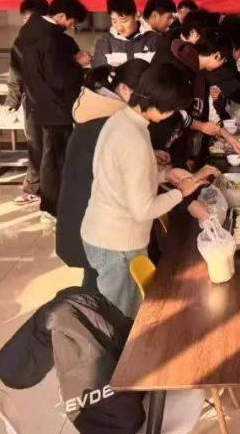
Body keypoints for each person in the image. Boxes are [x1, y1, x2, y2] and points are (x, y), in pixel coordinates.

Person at [80, 63, 209, 318]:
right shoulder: (134, 139)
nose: (172, 114)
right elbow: (143, 210)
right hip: (117, 243)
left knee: (123, 312)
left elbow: (122, 179)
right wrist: (181, 192)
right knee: (124, 320)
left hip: (104, 232)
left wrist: (165, 174)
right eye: (173, 108)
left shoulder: (123, 119)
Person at [57, 58, 151, 294]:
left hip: (90, 218)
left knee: (97, 280)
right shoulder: (109, 122)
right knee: (104, 289)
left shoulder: (99, 110)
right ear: (124, 89)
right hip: (96, 224)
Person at [10, 0, 90, 218]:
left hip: (38, 104)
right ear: (61, 16)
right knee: (56, 159)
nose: (70, 28)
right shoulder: (51, 39)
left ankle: (51, 203)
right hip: (57, 106)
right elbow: (58, 78)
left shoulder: (29, 33)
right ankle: (53, 206)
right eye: (71, 22)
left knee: (48, 156)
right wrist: (79, 64)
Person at [163, 27, 240, 165]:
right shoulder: (180, 68)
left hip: (183, 144)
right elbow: (171, 109)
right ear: (217, 55)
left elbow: (209, 110)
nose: (222, 65)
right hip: (166, 144)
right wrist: (200, 126)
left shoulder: (200, 72)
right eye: (224, 60)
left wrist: (229, 138)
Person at [6, 0, 49, 205]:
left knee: (56, 145)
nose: (27, 23)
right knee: (35, 144)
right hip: (32, 103)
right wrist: (12, 102)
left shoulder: (56, 39)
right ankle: (32, 188)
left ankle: (58, 189)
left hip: (58, 103)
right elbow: (16, 74)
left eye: (31, 19)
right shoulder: (21, 42)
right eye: (24, 19)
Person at [92, 0, 156, 66]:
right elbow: (98, 72)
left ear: (136, 16)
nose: (119, 27)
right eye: (114, 21)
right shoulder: (104, 43)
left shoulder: (154, 40)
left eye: (124, 21)